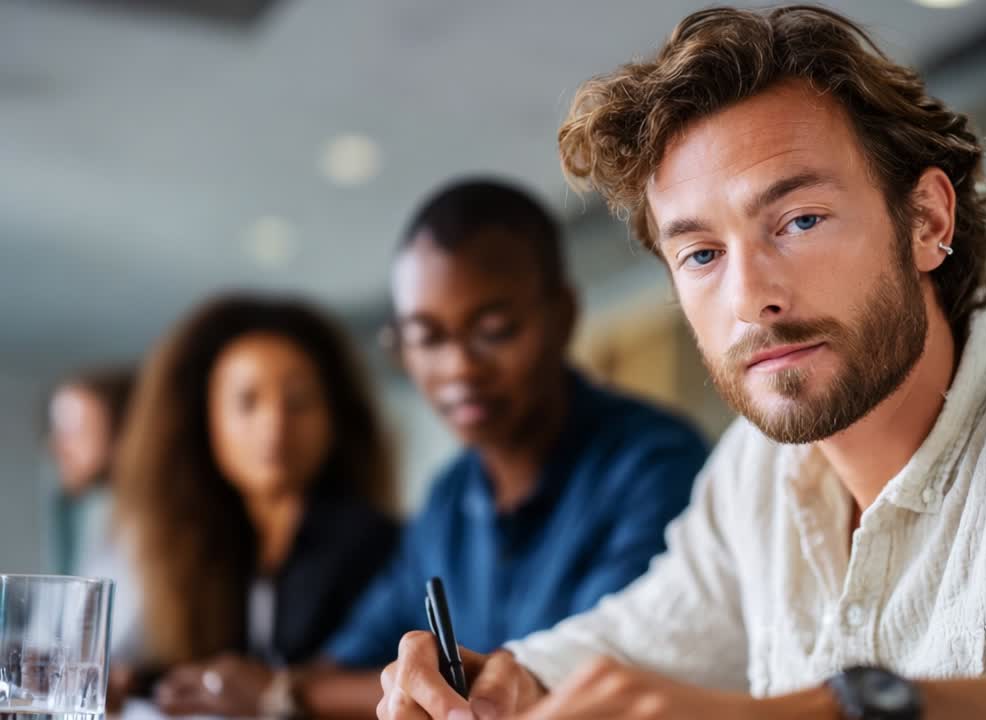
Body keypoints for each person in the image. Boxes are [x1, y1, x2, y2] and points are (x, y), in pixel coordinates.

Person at [378, 6, 986, 720]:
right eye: (701, 255)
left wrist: (833, 710)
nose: (751, 298)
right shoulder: (755, 474)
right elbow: (643, 636)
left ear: (927, 221)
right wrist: (503, 678)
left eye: (798, 221)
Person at [153, 179, 709, 718]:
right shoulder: (448, 502)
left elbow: (596, 682)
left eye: (493, 330)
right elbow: (350, 657)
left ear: (561, 316)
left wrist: (285, 694)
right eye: (427, 338)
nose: (459, 368)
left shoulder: (655, 468)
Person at [107, 294, 400, 703]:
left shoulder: (379, 543)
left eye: (298, 401)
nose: (274, 425)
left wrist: (280, 694)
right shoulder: (197, 545)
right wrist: (139, 683)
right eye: (247, 402)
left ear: (335, 417)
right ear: (205, 420)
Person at [44, 366, 134, 576]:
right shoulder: (100, 519)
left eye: (72, 430)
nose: (55, 446)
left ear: (124, 433)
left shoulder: (163, 530)